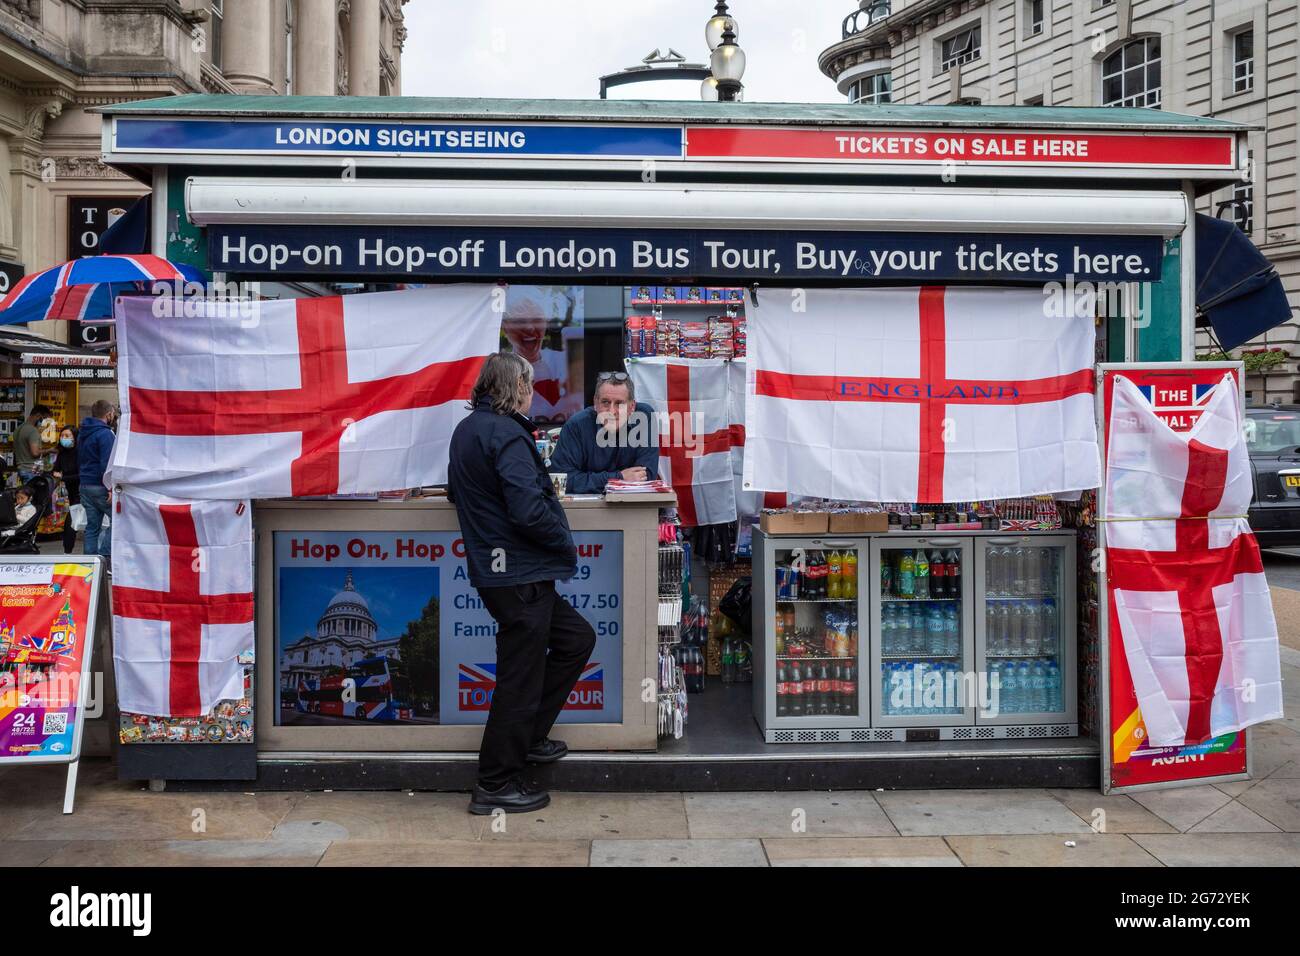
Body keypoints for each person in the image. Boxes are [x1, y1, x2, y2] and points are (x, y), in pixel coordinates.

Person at [447, 352, 596, 815]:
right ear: (516, 387)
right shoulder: (508, 434)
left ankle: (528, 738)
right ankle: (495, 782)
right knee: (519, 680)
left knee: (576, 639)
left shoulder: (468, 429)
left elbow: (460, 492)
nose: (533, 393)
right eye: (529, 385)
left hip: (503, 574)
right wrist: (563, 543)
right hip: (520, 574)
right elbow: (528, 509)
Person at [548, 371, 659, 493]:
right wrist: (619, 478)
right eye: (605, 402)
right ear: (595, 403)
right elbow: (561, 480)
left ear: (632, 407)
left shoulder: (645, 416)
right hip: (584, 509)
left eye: (619, 403)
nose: (611, 411)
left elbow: (645, 476)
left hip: (632, 508)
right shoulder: (576, 425)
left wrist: (591, 480)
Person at [501, 293, 582, 425]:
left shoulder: (566, 362)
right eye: (520, 322)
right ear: (505, 327)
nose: (529, 327)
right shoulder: (499, 371)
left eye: (537, 320)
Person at [79, 400, 117, 564]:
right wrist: (110, 487)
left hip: (85, 485)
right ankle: (104, 558)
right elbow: (106, 463)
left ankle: (90, 564)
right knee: (117, 521)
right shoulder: (105, 434)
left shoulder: (83, 432)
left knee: (92, 527)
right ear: (108, 414)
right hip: (100, 486)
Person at [52, 426, 80, 554]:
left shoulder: (80, 452)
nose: (64, 438)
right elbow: (55, 470)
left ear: (75, 437)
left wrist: (63, 477)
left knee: (72, 521)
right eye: (62, 435)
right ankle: (67, 551)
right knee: (71, 521)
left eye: (67, 435)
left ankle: (67, 551)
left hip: (82, 491)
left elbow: (82, 474)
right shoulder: (62, 453)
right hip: (71, 492)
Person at [14, 404, 52, 484]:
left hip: (22, 469)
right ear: (38, 416)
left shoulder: (18, 429)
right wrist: (50, 450)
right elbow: (35, 453)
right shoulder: (33, 431)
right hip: (31, 471)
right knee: (33, 495)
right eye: (44, 419)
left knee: (26, 495)